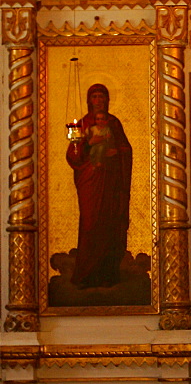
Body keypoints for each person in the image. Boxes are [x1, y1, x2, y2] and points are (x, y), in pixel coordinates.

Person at [66, 83, 132, 288]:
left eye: (101, 96)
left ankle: (107, 274)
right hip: (89, 181)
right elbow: (73, 157)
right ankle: (86, 273)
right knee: (90, 223)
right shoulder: (83, 124)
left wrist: (117, 153)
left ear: (107, 99)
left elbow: (125, 148)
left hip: (111, 181)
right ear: (89, 100)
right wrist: (86, 144)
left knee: (109, 223)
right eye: (94, 96)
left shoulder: (114, 123)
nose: (98, 100)